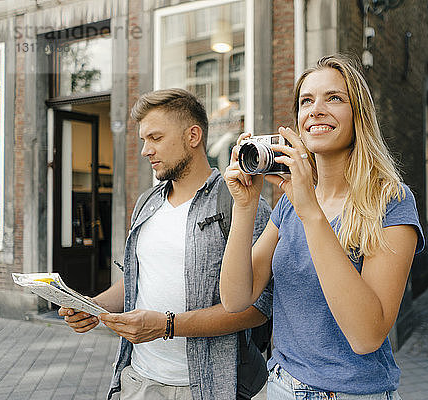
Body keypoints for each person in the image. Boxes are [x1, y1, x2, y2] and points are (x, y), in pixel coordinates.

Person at [219, 54, 425, 399]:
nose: (315, 110)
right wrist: (245, 205)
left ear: (358, 116)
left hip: (351, 393)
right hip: (282, 385)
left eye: (334, 98)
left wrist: (311, 213)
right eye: (305, 101)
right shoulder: (290, 202)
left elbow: (366, 336)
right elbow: (236, 298)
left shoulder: (390, 201)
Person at [58, 88, 272, 400]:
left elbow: (259, 308)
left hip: (211, 386)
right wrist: (96, 307)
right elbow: (139, 275)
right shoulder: (147, 202)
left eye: (155, 138)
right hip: (139, 379)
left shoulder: (239, 203)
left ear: (193, 136)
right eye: (144, 140)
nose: (146, 150)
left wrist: (168, 326)